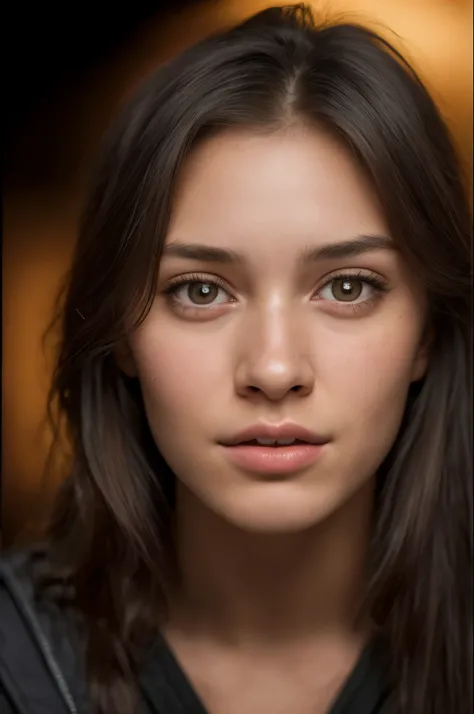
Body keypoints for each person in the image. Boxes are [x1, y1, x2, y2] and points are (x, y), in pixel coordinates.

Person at [1, 5, 471, 714]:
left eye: (347, 287)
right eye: (200, 291)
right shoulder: (16, 662)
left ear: (427, 331)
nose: (275, 370)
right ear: (121, 333)